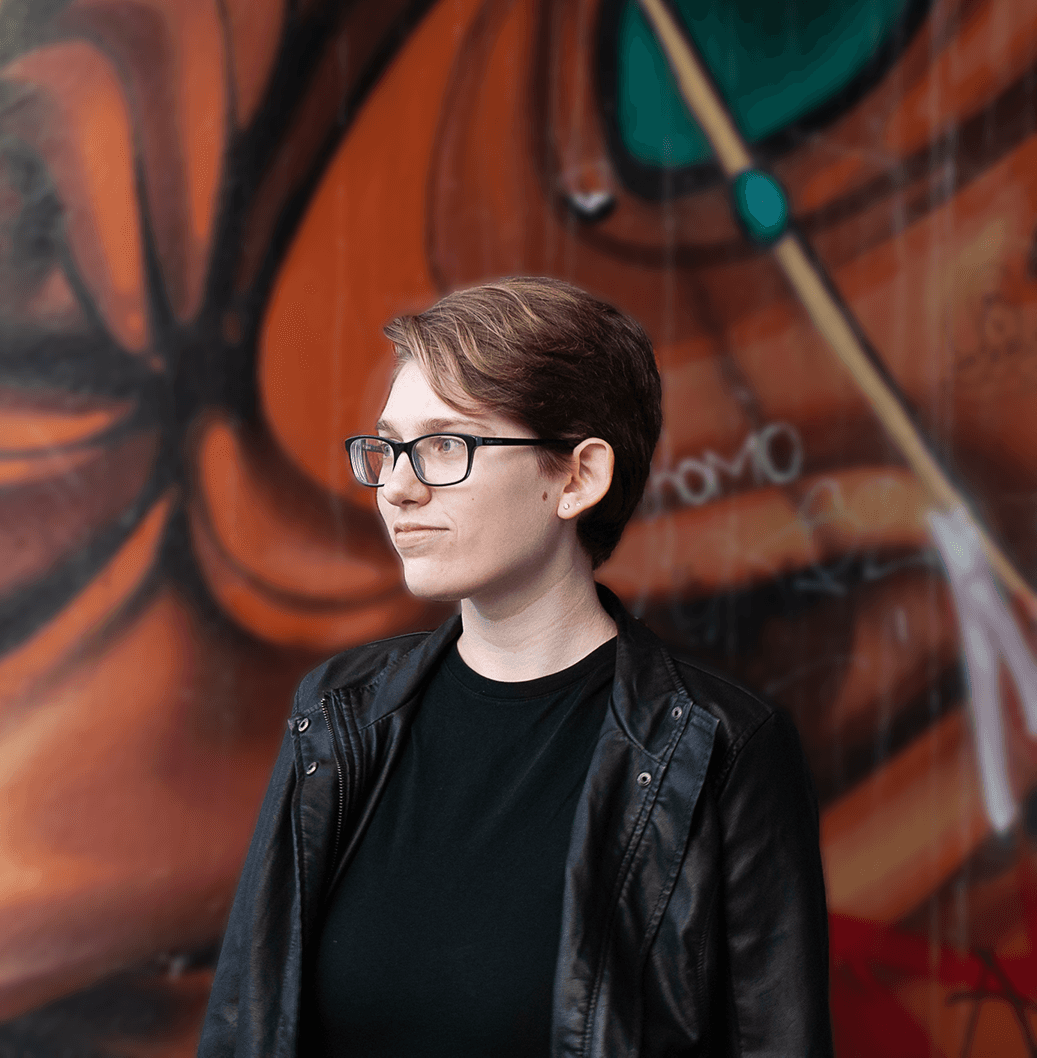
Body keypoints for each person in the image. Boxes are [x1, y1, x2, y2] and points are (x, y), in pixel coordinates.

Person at [198, 276, 833, 1057]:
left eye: (443, 446)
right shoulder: (336, 716)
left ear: (577, 477)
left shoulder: (719, 749)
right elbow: (245, 1024)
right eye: (388, 447)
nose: (397, 487)